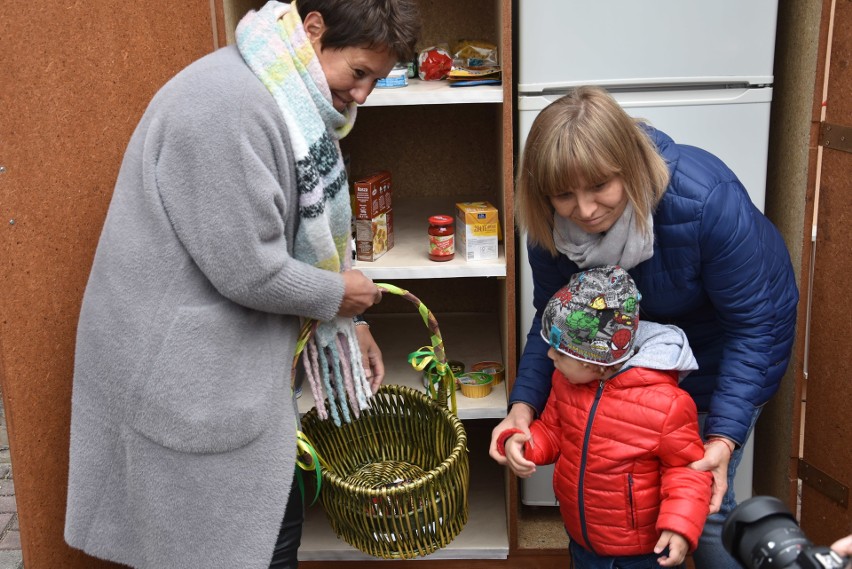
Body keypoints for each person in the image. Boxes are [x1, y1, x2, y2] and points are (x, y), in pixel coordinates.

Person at [64, 1, 420, 568]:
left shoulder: (282, 94)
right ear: (313, 30)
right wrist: (338, 298)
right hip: (181, 374)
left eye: (376, 78)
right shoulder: (227, 107)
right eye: (359, 73)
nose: (364, 94)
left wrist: (350, 318)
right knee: (239, 546)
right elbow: (249, 269)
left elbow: (297, 249)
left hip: (211, 368)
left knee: (257, 536)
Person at [491, 85, 799, 568]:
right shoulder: (550, 226)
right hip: (621, 359)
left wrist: (722, 438)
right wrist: (523, 406)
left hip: (725, 347)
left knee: (704, 503)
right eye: (564, 195)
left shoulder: (706, 201)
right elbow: (552, 323)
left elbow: (754, 326)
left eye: (600, 188)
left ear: (630, 166)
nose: (586, 211)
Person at [496, 265, 712, 568]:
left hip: (644, 553)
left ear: (595, 363)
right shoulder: (566, 382)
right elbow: (553, 431)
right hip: (583, 540)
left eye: (560, 353)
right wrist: (521, 442)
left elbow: (688, 471)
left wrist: (679, 524)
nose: (549, 357)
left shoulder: (667, 404)